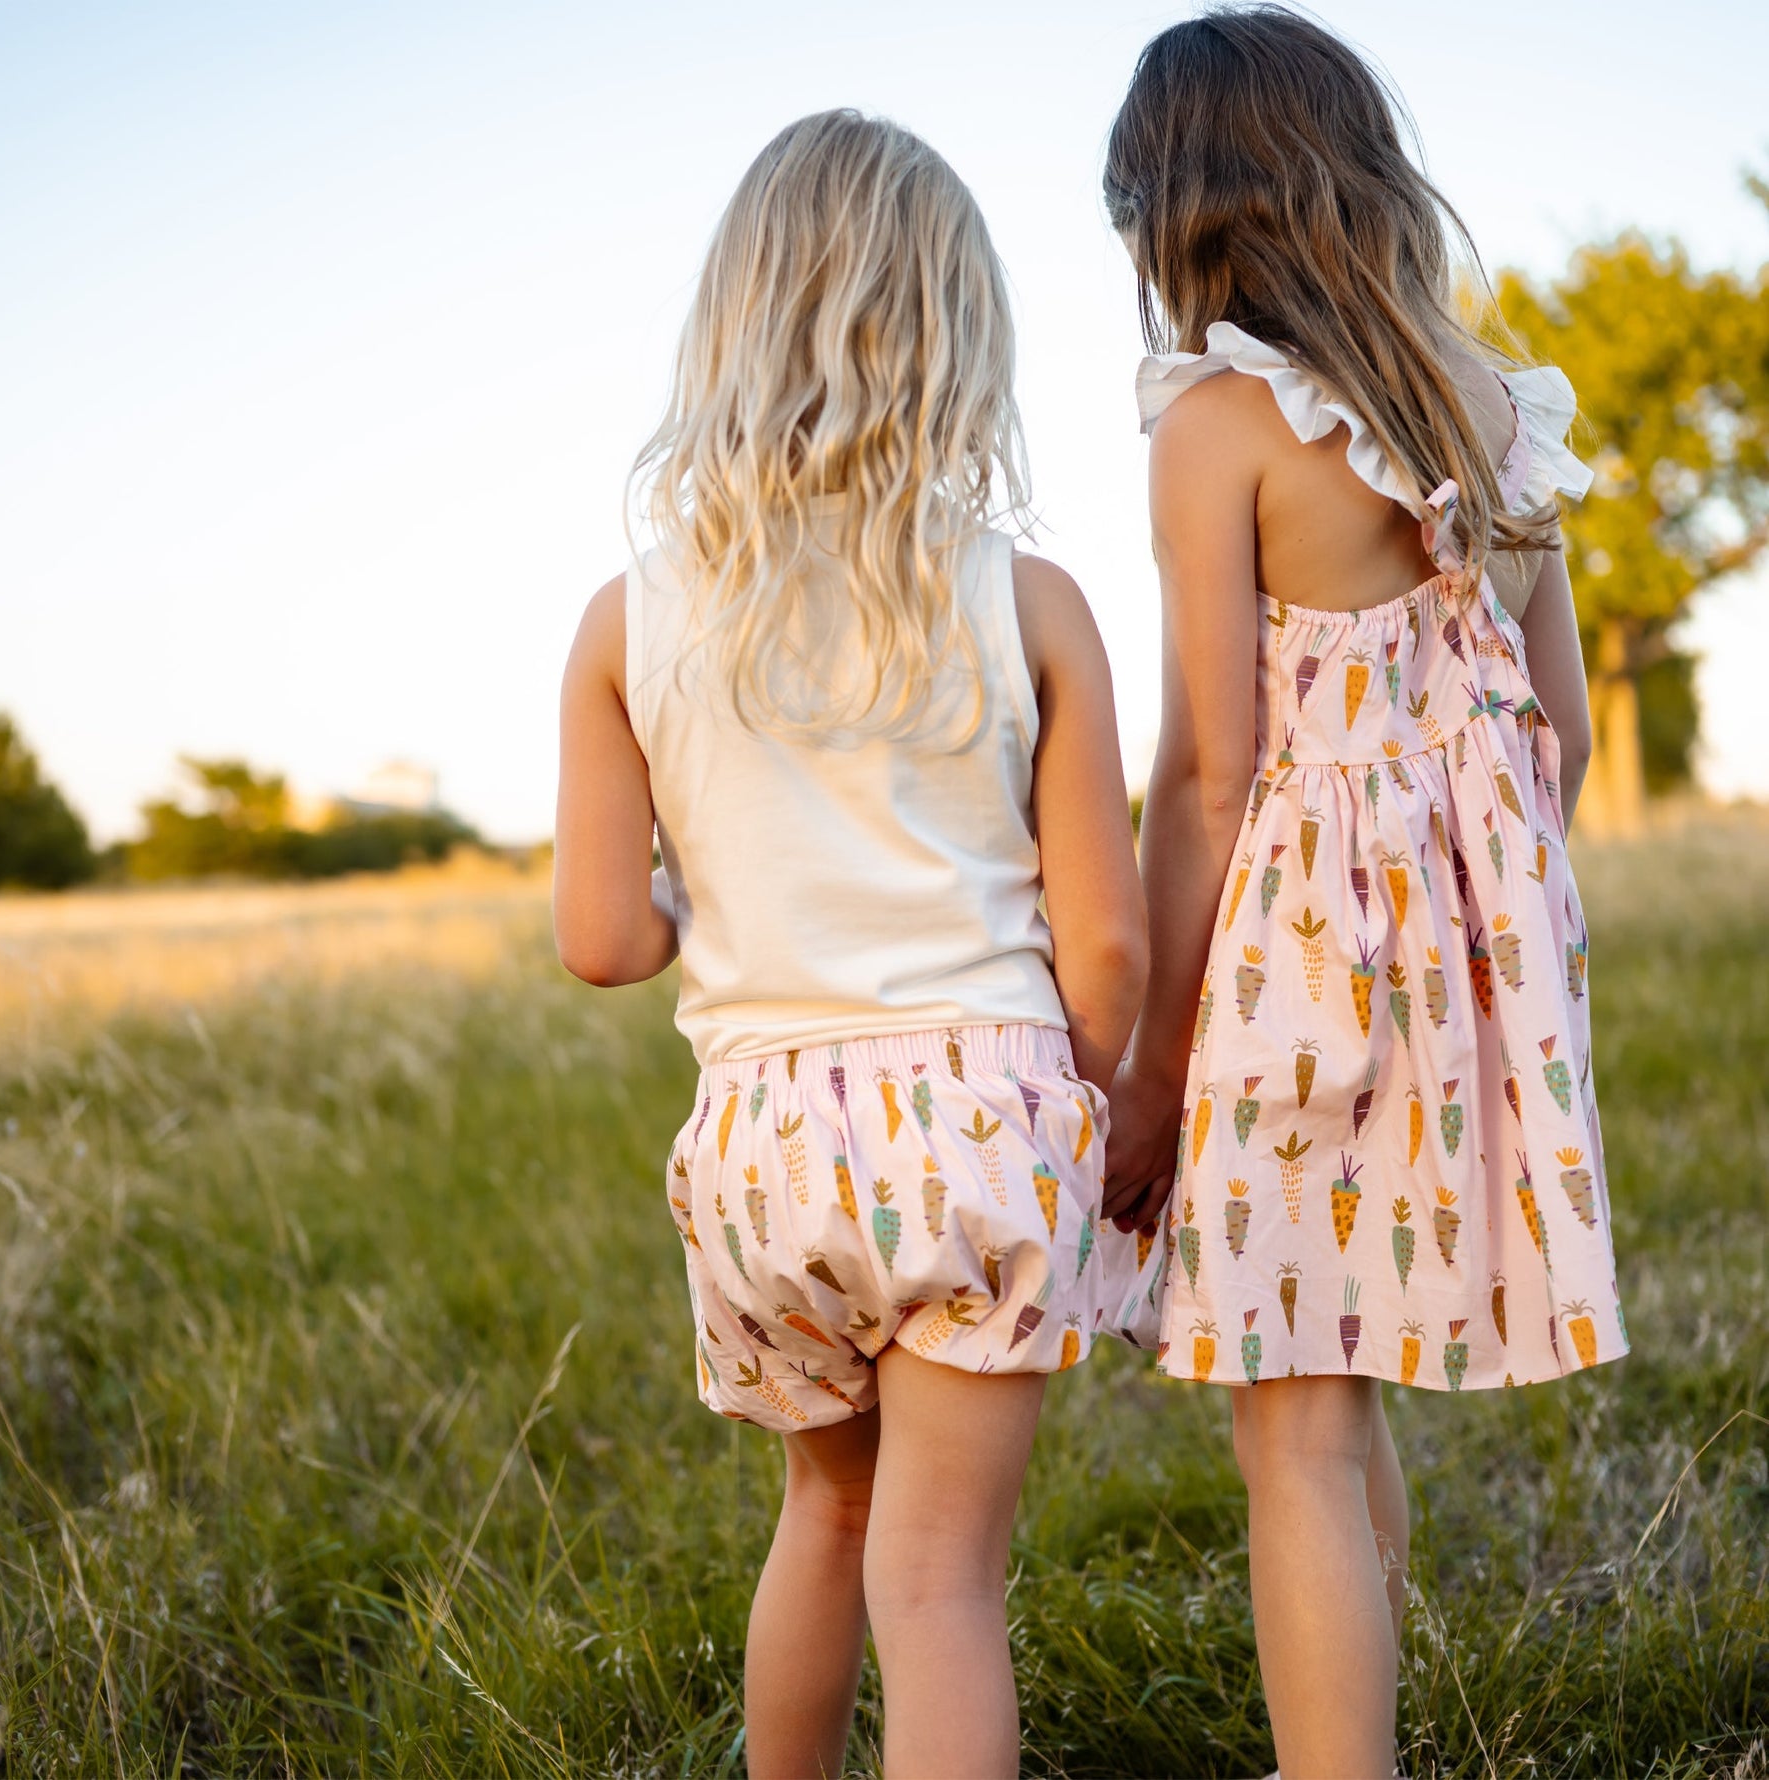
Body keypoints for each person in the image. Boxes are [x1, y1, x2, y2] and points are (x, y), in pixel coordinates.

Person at [552, 110, 1147, 1780]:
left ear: (731, 324)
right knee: (942, 1575)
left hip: (765, 1143)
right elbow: (1105, 942)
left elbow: (603, 940)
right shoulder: (1029, 604)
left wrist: (710, 897)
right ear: (960, 337)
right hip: (980, 1113)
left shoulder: (632, 618)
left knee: (826, 1518)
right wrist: (1084, 1127)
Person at [1096, 9, 1627, 1773]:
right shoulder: (1492, 407)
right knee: (1350, 1369)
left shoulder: (1220, 430)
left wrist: (1155, 1063)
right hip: (1477, 965)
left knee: (1295, 1433)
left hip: (1299, 969)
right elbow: (1544, 736)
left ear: (1178, 214)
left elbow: (1205, 773)